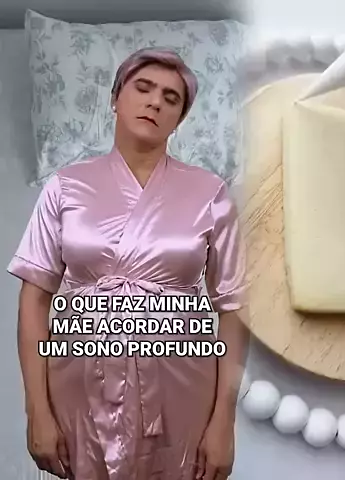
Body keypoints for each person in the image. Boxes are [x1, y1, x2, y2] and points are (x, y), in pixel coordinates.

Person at [7, 47, 250, 480]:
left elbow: (234, 309)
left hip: (181, 381)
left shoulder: (210, 193)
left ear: (179, 119)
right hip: (80, 379)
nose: (155, 102)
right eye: (143, 88)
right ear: (115, 98)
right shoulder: (65, 187)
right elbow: (34, 300)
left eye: (171, 98)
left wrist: (223, 423)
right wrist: (37, 411)